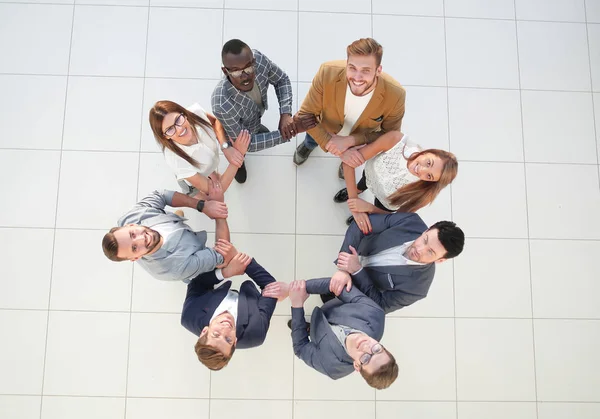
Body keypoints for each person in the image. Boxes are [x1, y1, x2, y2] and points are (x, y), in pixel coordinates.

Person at [263, 272, 398, 389]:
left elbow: (300, 348)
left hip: (319, 333)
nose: (366, 346)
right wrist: (290, 290)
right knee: (333, 290)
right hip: (336, 305)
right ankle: (326, 302)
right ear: (382, 346)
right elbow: (335, 285)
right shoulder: (374, 314)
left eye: (366, 359)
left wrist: (297, 305)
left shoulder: (331, 366)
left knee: (302, 329)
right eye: (377, 350)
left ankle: (308, 328)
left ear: (357, 366)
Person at [293, 37, 405, 173]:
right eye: (352, 68)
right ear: (347, 64)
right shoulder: (327, 72)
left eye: (365, 70)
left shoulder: (396, 95)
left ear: (378, 70)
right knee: (311, 140)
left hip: (358, 141)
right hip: (324, 127)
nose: (357, 78)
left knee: (352, 157)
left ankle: (346, 163)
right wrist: (334, 146)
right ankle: (308, 146)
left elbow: (390, 135)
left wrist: (351, 141)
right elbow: (305, 115)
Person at [212, 39, 317, 183]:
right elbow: (247, 143)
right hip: (235, 133)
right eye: (236, 71)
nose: (245, 76)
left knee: (257, 129)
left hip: (253, 118)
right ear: (225, 71)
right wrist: (288, 132)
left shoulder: (259, 60)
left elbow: (281, 80)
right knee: (238, 151)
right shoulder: (222, 103)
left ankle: (256, 128)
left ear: (253, 61)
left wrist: (285, 114)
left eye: (249, 68)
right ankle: (239, 163)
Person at [101, 180, 235, 283]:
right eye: (134, 248)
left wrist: (201, 205)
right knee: (220, 264)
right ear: (135, 258)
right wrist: (219, 213)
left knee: (174, 216)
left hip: (178, 235)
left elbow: (161, 195)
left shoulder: (131, 216)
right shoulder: (174, 268)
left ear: (130, 224)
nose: (142, 239)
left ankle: (175, 220)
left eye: (133, 234)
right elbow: (222, 254)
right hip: (190, 262)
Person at [332, 212, 465, 314]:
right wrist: (344, 269)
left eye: (430, 252)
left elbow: (380, 305)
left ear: (440, 260)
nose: (419, 250)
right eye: (425, 240)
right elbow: (359, 225)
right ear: (426, 230)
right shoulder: (410, 221)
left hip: (358, 291)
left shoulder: (417, 288)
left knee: (331, 304)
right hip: (356, 252)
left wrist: (356, 271)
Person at [335, 131, 458, 229]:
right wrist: (354, 200)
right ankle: (357, 190)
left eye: (429, 176)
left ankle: (367, 215)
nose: (421, 170)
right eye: (428, 163)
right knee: (363, 182)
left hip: (385, 203)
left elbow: (395, 217)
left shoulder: (423, 194)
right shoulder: (396, 141)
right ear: (429, 152)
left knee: (375, 213)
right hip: (370, 175)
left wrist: (368, 208)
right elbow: (348, 163)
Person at [181, 251, 281, 371]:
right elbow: (271, 286)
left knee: (221, 250)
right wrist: (245, 263)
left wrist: (225, 272)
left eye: (216, 334)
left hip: (216, 292)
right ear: (235, 342)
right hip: (249, 298)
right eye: (228, 339)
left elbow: (197, 283)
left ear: (204, 331)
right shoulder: (256, 332)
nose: (226, 328)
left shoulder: (190, 315)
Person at [149, 100, 250, 197]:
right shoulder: (177, 162)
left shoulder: (195, 113)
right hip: (190, 182)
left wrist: (225, 147)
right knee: (209, 200)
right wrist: (238, 155)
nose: (180, 129)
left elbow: (215, 122)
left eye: (177, 119)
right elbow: (219, 190)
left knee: (209, 169)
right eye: (170, 129)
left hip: (206, 164)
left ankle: (211, 174)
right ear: (165, 136)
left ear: (183, 113)